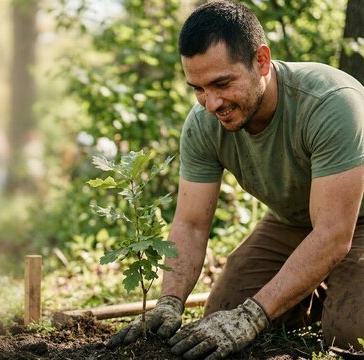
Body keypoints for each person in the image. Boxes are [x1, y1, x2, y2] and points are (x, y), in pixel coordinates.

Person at [107, 1, 364, 359]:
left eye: (222, 83)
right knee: (221, 312)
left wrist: (254, 314)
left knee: (349, 335)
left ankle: (335, 295)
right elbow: (191, 225)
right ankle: (316, 294)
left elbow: (334, 234)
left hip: (352, 222)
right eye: (197, 88)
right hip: (294, 220)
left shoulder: (330, 104)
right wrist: (169, 302)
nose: (211, 103)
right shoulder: (203, 123)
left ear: (261, 60)